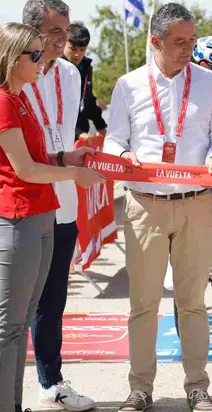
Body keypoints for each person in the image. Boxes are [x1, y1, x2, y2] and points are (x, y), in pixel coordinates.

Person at [103, 3, 212, 411]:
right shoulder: (128, 85)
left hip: (196, 205)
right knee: (144, 304)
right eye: (179, 42)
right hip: (146, 205)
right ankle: (140, 388)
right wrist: (123, 156)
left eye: (192, 40)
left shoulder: (210, 83)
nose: (187, 49)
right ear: (155, 41)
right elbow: (112, 140)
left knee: (192, 302)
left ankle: (197, 386)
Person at [0, 21, 104, 412]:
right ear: (13, 58)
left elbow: (39, 160)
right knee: (9, 327)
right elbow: (24, 170)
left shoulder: (21, 97)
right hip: (18, 219)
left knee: (22, 323)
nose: (43, 60)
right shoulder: (4, 101)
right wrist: (73, 174)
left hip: (43, 216)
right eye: (36, 54)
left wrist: (66, 159)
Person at [20, 0, 97, 411]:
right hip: (20, 201)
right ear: (31, 30)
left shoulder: (71, 73)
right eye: (54, 32)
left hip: (62, 201)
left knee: (52, 299)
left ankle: (51, 383)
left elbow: (65, 133)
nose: (61, 40)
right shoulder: (9, 74)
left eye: (65, 31)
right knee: (14, 302)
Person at [62, 22, 107, 141]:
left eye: (82, 49)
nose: (77, 54)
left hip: (82, 136)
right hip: (61, 135)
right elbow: (59, 107)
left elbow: (88, 101)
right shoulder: (55, 67)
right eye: (73, 49)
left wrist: (101, 126)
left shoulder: (87, 67)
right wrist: (78, 132)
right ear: (63, 44)